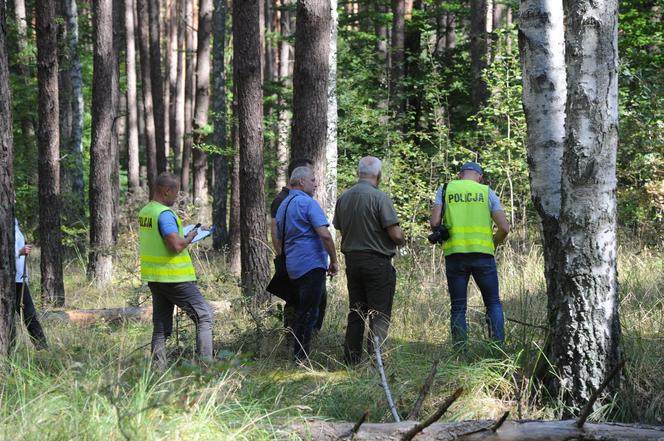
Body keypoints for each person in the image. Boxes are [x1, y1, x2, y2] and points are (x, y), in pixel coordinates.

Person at [333, 156, 405, 365]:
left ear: (359, 173)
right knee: (379, 313)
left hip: (352, 262)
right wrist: (402, 239)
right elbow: (396, 234)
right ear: (378, 175)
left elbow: (338, 226)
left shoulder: (344, 197)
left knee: (356, 312)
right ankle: (378, 362)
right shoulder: (379, 198)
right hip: (377, 262)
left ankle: (351, 360)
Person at [138, 172, 214, 368]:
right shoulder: (164, 214)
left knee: (161, 328)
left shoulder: (147, 211)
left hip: (155, 278)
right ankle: (206, 369)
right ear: (166, 191)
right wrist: (191, 236)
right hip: (174, 278)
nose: (176, 196)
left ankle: (157, 370)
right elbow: (176, 245)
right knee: (204, 316)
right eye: (176, 192)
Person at [429, 161, 510, 345]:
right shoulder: (486, 192)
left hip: (455, 255)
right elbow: (504, 228)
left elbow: (435, 222)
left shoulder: (446, 189)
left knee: (458, 307)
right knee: (493, 303)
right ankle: (497, 349)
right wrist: (492, 244)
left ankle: (460, 352)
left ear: (460, 175)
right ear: (479, 177)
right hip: (483, 255)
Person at [275, 166, 339, 362]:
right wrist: (334, 261)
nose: (316, 183)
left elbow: (278, 239)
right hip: (311, 265)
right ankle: (301, 357)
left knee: (301, 310)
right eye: (313, 180)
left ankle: (297, 352)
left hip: (293, 267)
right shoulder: (307, 203)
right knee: (308, 313)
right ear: (301, 182)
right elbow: (325, 235)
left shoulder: (283, 205)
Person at [269, 159, 327, 332]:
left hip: (297, 260)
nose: (316, 183)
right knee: (298, 302)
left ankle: (302, 338)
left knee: (312, 301)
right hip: (299, 262)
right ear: (300, 178)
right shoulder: (283, 200)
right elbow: (275, 233)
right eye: (312, 178)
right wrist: (282, 257)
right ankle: (296, 340)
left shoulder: (292, 199)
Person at [14, 218, 48, 349]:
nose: (14, 199)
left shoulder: (13, 220)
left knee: (30, 316)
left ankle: (43, 349)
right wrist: (19, 252)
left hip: (19, 279)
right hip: (9, 281)